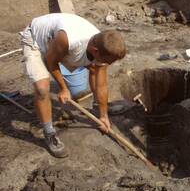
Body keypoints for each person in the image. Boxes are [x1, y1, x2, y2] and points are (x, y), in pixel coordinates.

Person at [20, 13, 126, 158]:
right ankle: (49, 133)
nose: (108, 64)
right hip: (36, 41)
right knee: (42, 88)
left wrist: (103, 115)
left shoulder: (103, 45)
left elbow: (100, 84)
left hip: (59, 45)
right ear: (95, 51)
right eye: (108, 61)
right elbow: (50, 61)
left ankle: (98, 108)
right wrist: (63, 89)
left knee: (95, 70)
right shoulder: (69, 40)